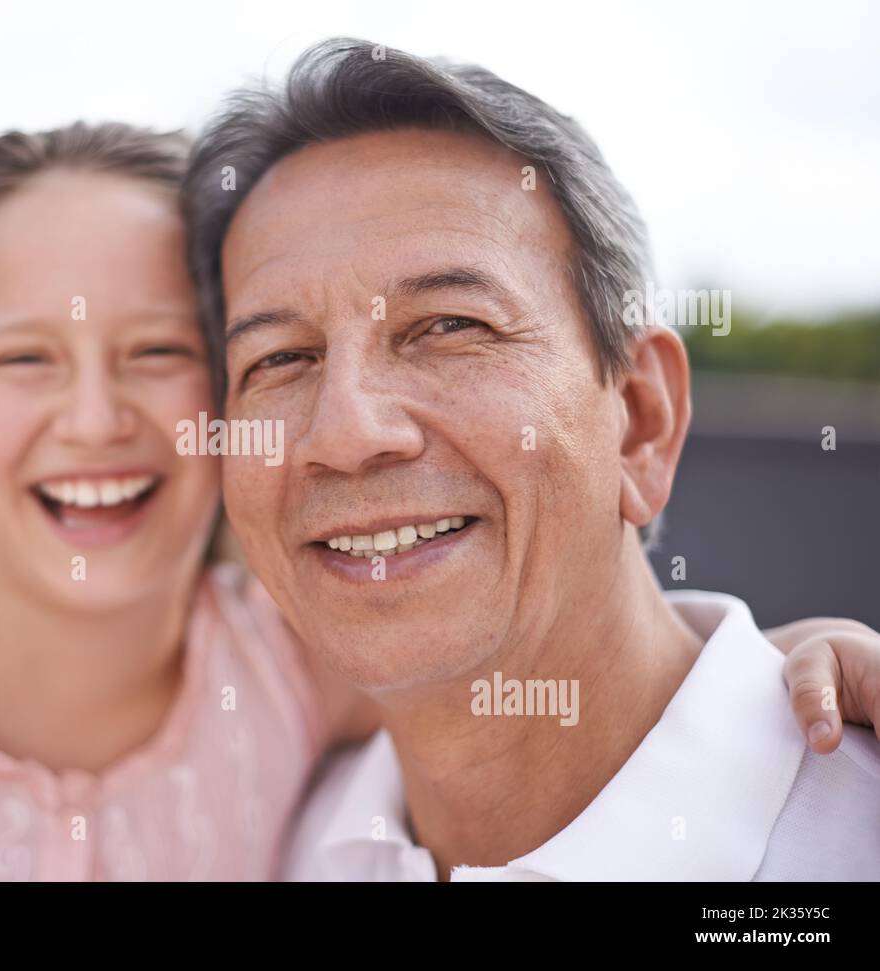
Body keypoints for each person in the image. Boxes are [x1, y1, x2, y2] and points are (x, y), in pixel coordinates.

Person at [0, 119, 875, 883]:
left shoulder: (294, 660)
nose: (96, 417)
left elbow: (561, 658)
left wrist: (787, 661)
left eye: (163, 355)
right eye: (26, 355)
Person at [180, 38, 880, 880]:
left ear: (641, 421)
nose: (347, 431)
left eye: (450, 326)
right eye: (280, 359)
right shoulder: (270, 842)